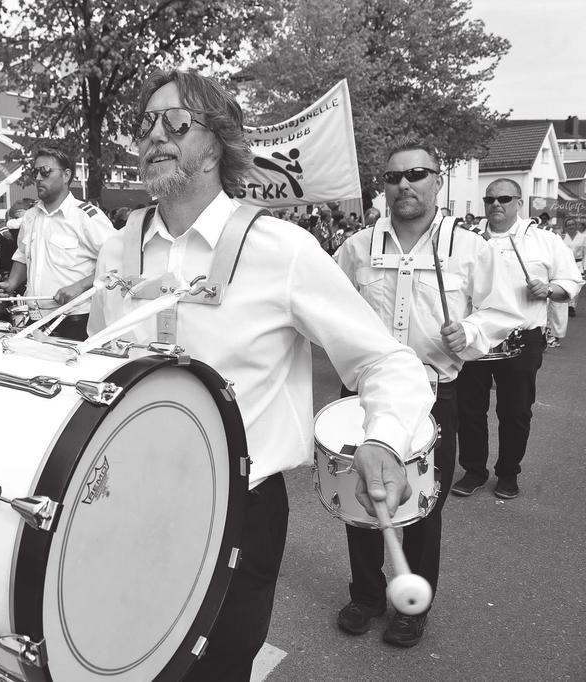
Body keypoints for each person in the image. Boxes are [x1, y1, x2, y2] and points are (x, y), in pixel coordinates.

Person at [87, 68, 434, 680]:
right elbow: (98, 359)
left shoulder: (283, 249)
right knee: (127, 655)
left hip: (237, 506)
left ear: (216, 141)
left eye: (175, 121)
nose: (153, 135)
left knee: (218, 666)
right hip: (130, 493)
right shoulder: (119, 246)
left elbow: (385, 360)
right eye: (144, 123)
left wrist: (384, 438)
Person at [334, 140, 522, 647]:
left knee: (421, 504)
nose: (404, 185)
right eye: (393, 177)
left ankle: (410, 604)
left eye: (416, 174)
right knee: (363, 498)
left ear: (437, 181)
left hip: (433, 392)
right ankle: (367, 593)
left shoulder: (469, 247)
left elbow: (501, 311)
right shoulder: (356, 247)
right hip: (365, 394)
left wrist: (471, 333)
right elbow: (328, 308)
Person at [452, 179, 583, 499]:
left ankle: (508, 471)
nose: (496, 204)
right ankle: (474, 469)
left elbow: (571, 279)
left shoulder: (543, 240)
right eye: (490, 199)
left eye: (504, 198)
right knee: (469, 409)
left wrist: (548, 289)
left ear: (519, 203)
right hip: (476, 336)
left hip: (521, 338)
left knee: (515, 411)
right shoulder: (470, 241)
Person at [0, 146, 116, 341]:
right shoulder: (30, 216)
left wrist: (79, 287)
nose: (37, 178)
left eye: (45, 171)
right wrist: (10, 283)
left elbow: (116, 263)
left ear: (66, 175)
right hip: (35, 321)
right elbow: (22, 255)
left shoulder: (86, 217)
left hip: (75, 322)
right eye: (35, 172)